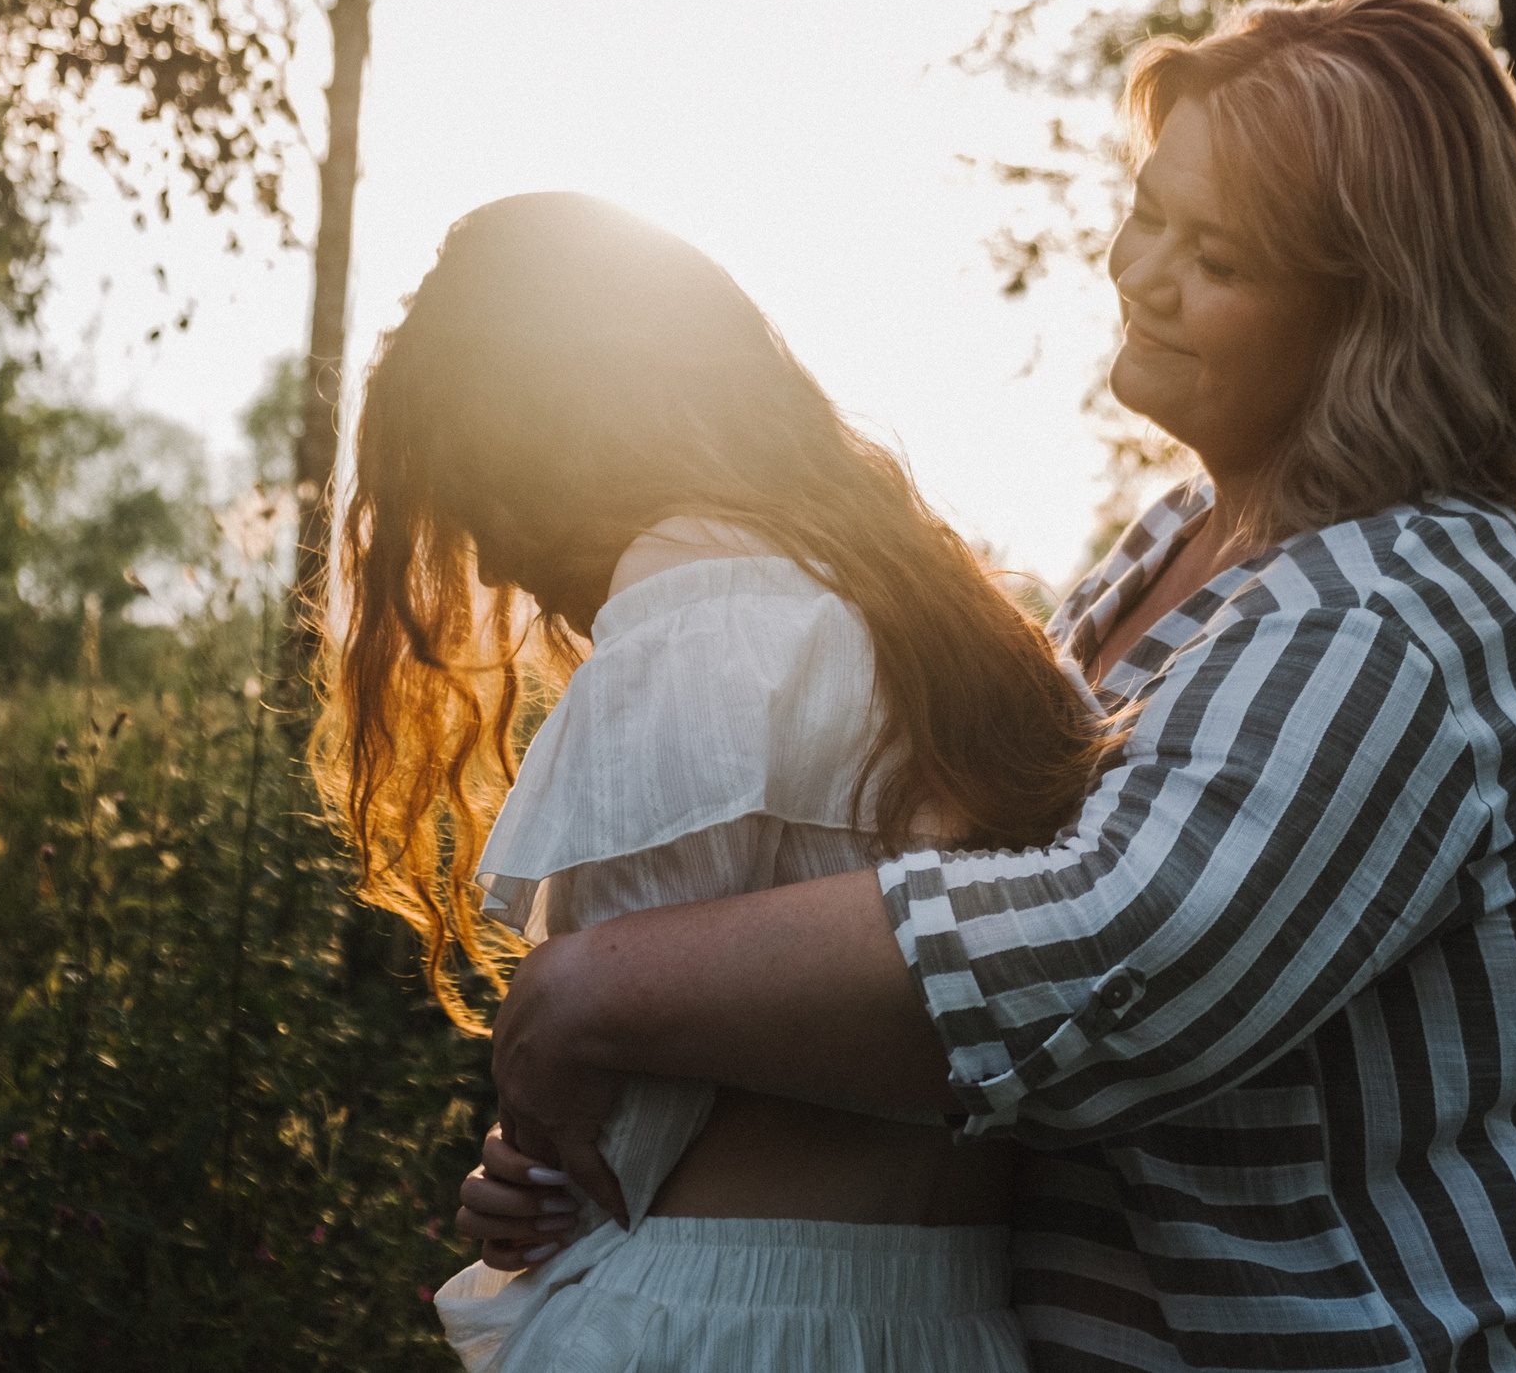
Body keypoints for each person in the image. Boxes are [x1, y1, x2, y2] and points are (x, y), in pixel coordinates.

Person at [459, 0, 1516, 1371]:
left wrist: (598, 987)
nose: (1135, 267)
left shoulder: (1405, 606)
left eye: (1214, 253)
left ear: (1372, 318)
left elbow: (1110, 959)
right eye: (1149, 209)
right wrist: (615, 1159)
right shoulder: (1164, 553)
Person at [310, 191, 1111, 1371]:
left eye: (478, 489)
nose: (489, 552)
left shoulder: (696, 605)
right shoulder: (950, 627)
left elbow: (617, 1085)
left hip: (720, 1315)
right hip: (958, 1321)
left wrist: (526, 1178)